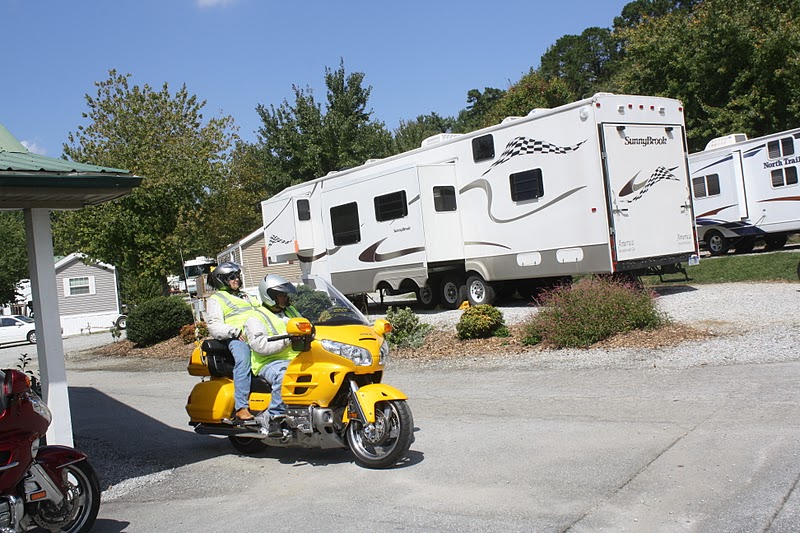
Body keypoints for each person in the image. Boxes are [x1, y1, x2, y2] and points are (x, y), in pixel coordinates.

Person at [242, 276, 302, 437]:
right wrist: (287, 339)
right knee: (285, 375)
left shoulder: (291, 311)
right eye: (282, 295)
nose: (285, 297)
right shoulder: (255, 318)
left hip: (296, 359)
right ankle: (276, 418)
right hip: (269, 362)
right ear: (270, 296)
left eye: (285, 294)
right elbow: (260, 346)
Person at [205, 262, 258, 422]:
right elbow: (214, 326)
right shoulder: (216, 299)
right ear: (222, 280)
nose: (237, 279)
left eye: (237, 276)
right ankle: (241, 407)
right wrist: (234, 332)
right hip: (237, 337)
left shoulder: (246, 296)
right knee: (243, 360)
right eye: (232, 277)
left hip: (258, 335)